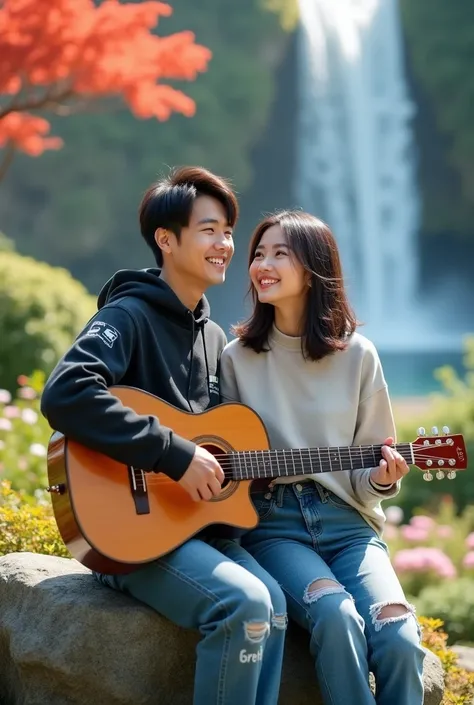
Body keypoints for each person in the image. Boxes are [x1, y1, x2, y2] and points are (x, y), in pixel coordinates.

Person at [40, 167, 287, 705]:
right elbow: (65, 392)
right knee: (243, 603)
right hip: (127, 536)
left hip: (188, 530)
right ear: (166, 240)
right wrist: (175, 455)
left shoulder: (213, 335)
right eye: (208, 230)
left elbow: (214, 446)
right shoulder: (125, 315)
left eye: (227, 231)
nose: (224, 245)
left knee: (275, 604)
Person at [219, 209, 425, 705]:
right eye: (258, 254)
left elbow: (369, 469)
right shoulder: (236, 358)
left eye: (279, 254)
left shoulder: (359, 355)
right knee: (334, 615)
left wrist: (379, 479)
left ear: (312, 269)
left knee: (398, 637)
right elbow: (225, 462)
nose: (261, 265)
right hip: (274, 527)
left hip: (349, 526)